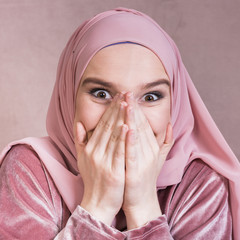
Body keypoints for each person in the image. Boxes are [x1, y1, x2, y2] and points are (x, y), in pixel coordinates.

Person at [0, 7, 239, 239]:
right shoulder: (30, 169)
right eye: (101, 93)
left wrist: (143, 207)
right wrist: (98, 207)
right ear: (69, 95)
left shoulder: (200, 183)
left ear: (174, 105)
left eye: (150, 97)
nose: (126, 119)